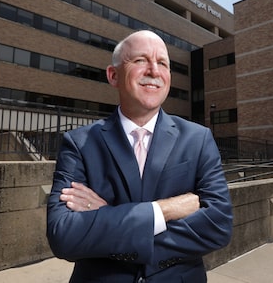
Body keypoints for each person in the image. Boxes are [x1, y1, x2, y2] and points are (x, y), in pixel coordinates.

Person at [46, 30, 233, 283]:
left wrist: (108, 216)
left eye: (163, 63)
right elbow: (63, 236)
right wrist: (162, 210)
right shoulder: (79, 143)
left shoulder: (198, 139)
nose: (154, 71)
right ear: (113, 75)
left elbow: (218, 226)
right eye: (141, 60)